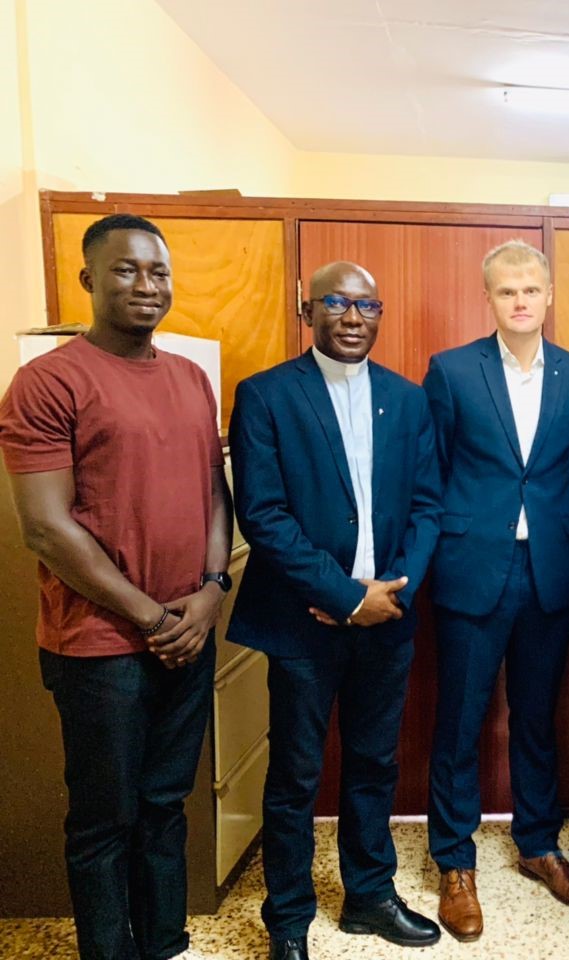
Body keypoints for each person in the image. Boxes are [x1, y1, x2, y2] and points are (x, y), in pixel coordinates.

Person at [0, 214, 231, 960]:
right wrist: (153, 616)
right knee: (105, 818)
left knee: (166, 805)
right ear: (88, 279)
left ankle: (163, 942)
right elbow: (47, 527)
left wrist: (211, 588)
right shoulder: (48, 381)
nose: (146, 285)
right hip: (100, 644)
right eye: (126, 270)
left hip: (186, 632)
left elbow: (214, 493)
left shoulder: (191, 379)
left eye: (157, 271)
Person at [229, 261, 443, 960]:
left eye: (367, 306)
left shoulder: (408, 401)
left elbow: (427, 507)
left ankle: (369, 896)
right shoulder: (265, 395)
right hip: (302, 622)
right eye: (338, 303)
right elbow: (263, 514)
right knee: (295, 772)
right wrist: (345, 596)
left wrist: (388, 594)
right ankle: (288, 918)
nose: (353, 318)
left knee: (375, 763)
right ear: (308, 310)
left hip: (390, 618)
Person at [422, 240, 569, 940]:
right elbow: (429, 475)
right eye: (506, 291)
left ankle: (537, 845)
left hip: (550, 570)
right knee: (461, 719)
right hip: (470, 567)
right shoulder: (453, 371)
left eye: (531, 289)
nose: (520, 301)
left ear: (549, 295)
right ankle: (454, 860)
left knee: (534, 717)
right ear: (488, 297)